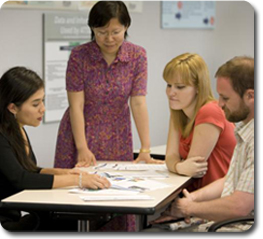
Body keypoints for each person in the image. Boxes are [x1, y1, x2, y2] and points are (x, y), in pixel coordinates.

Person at [0, 67, 110, 231]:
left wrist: (65, 173)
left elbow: (29, 170)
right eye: (36, 104)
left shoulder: (17, 128)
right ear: (13, 108)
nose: (42, 109)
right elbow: (20, 179)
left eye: (42, 101)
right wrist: (77, 180)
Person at [151, 56, 254, 232]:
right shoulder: (245, 131)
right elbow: (228, 180)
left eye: (225, 98)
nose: (220, 104)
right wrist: (191, 199)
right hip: (218, 209)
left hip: (232, 219)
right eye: (169, 85)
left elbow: (239, 207)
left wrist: (188, 207)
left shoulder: (213, 113)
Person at [54, 0, 161, 169]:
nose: (109, 39)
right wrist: (82, 147)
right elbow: (76, 105)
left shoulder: (137, 56)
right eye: (102, 32)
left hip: (118, 134)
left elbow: (138, 102)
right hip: (81, 131)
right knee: (75, 186)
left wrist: (145, 148)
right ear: (92, 29)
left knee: (118, 185)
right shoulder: (79, 56)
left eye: (115, 32)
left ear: (126, 26)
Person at [163, 53, 236, 191]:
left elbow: (193, 168)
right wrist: (178, 166)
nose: (171, 92)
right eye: (169, 85)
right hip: (194, 194)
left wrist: (177, 166)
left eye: (180, 87)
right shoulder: (178, 111)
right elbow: (170, 157)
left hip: (217, 198)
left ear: (198, 87)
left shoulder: (210, 111)